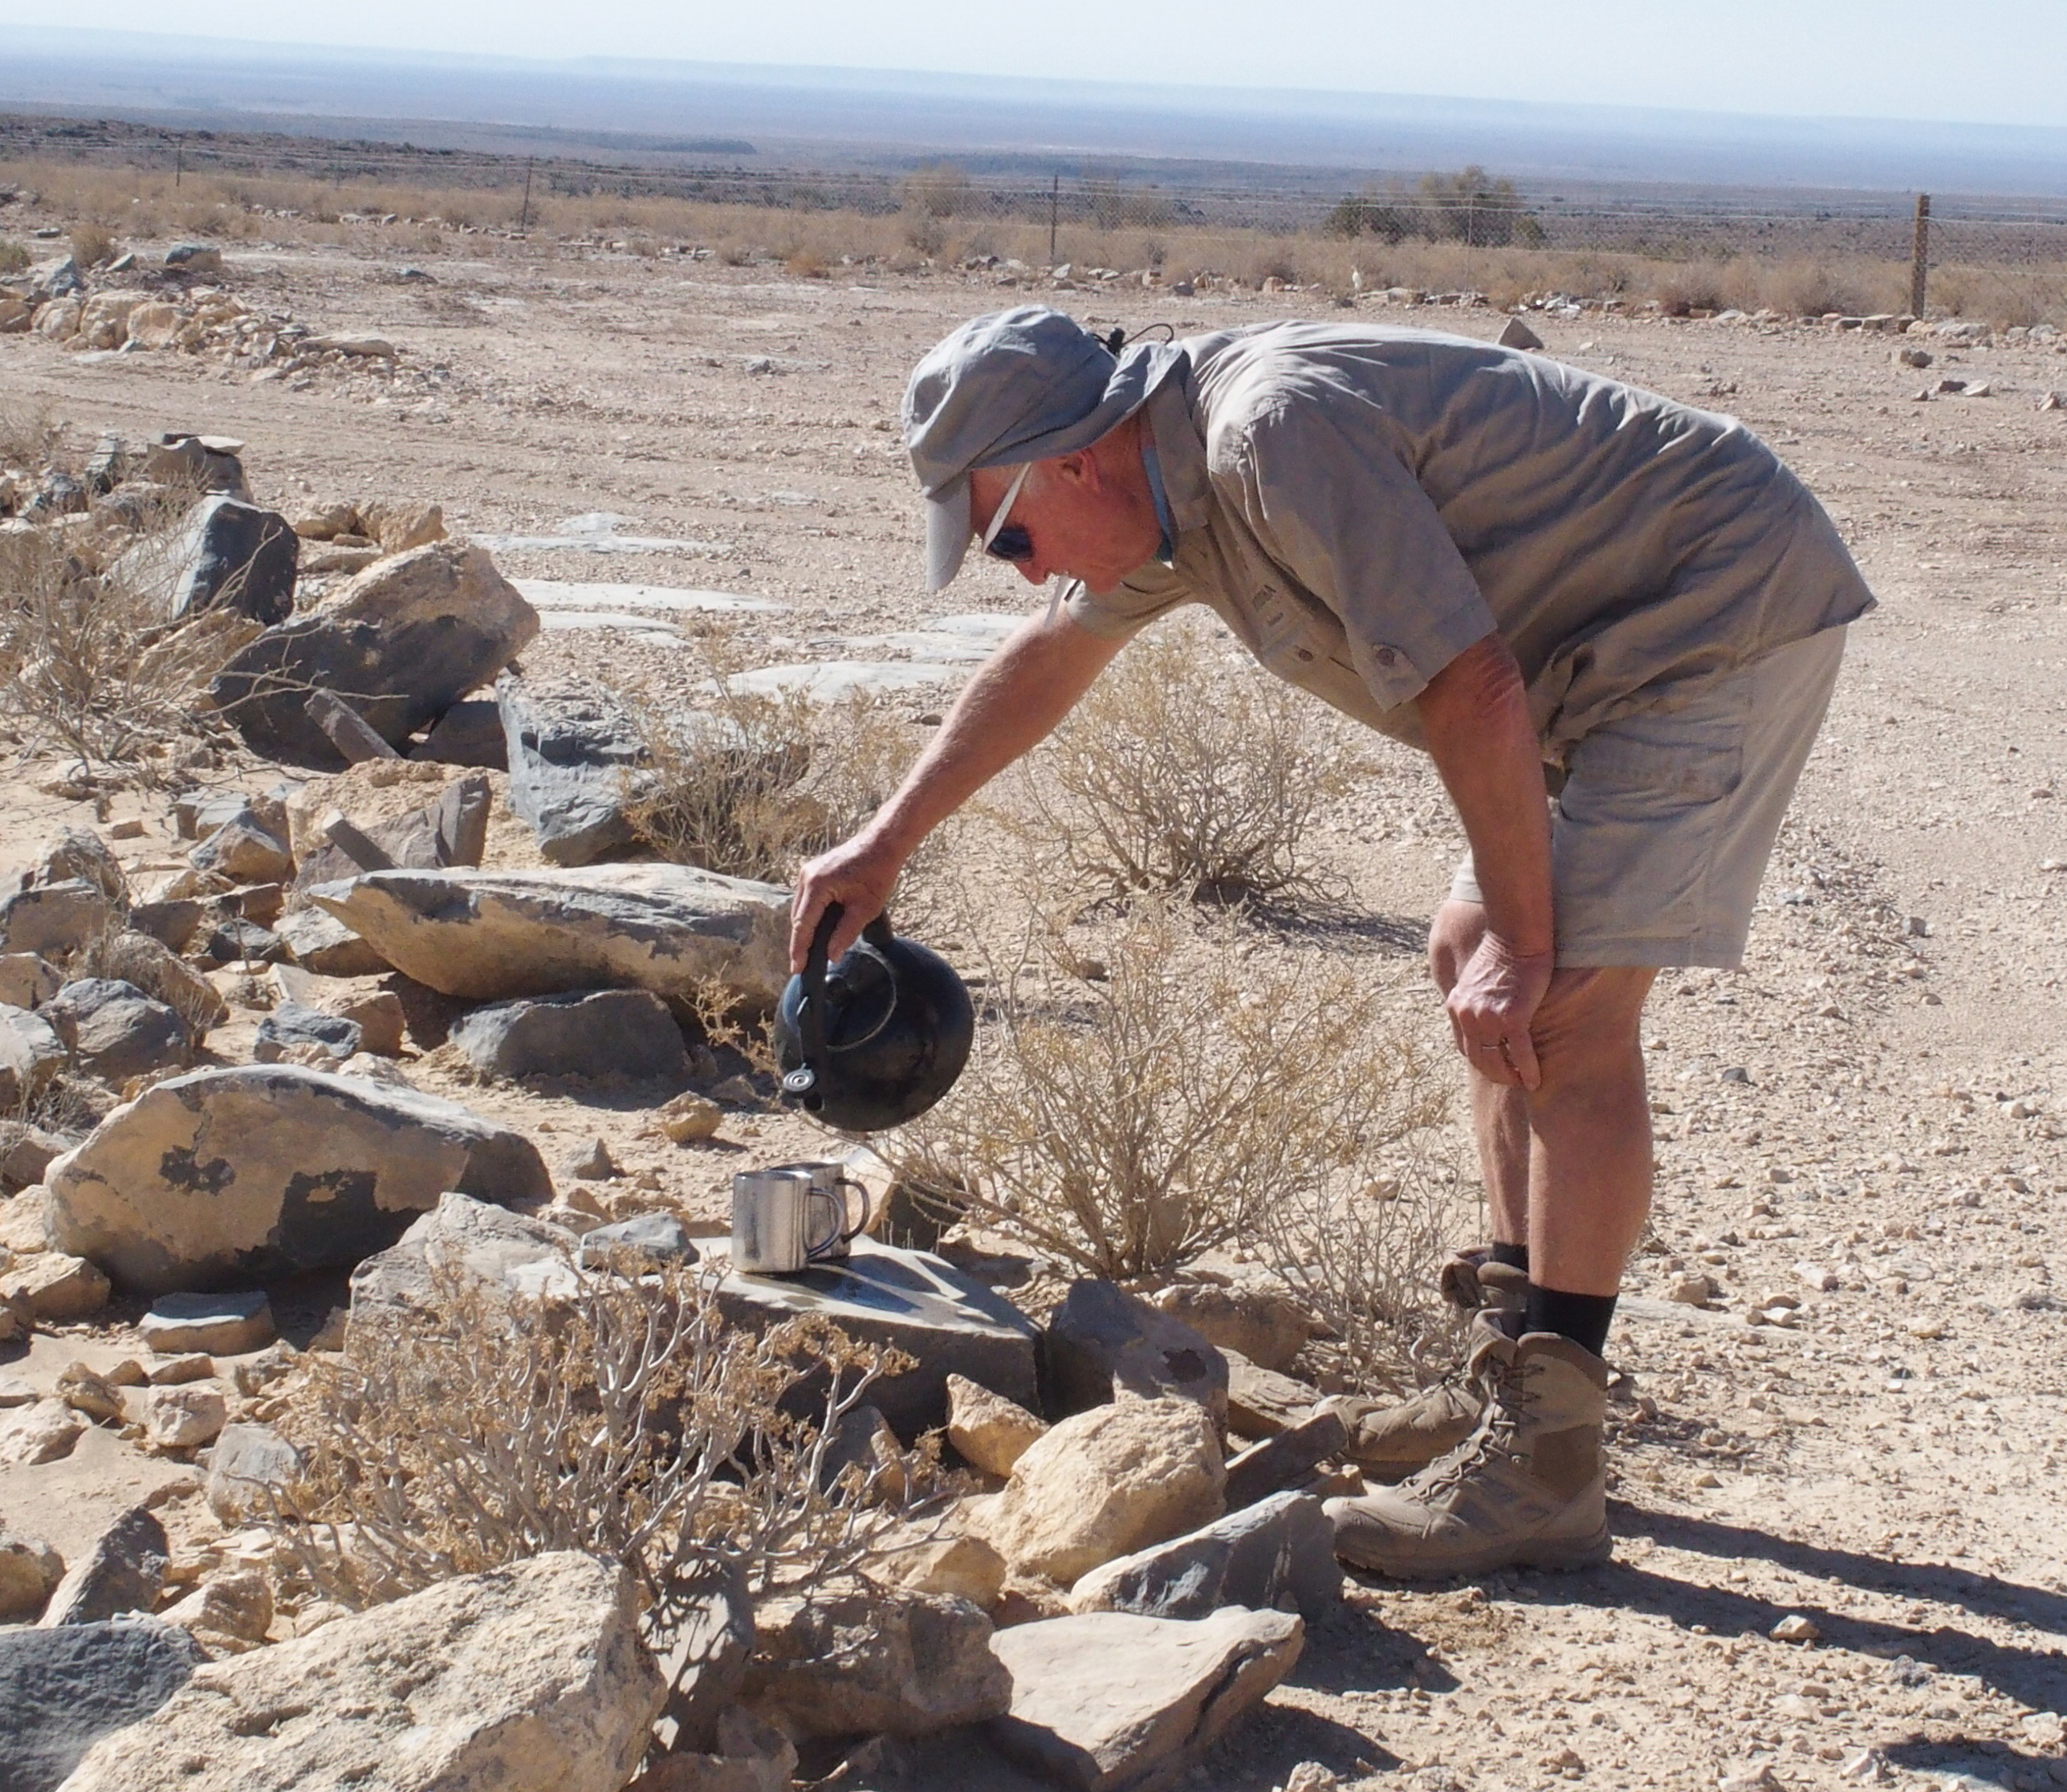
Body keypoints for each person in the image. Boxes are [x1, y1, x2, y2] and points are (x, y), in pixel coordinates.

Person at [791, 305, 1874, 1577]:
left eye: (1010, 534)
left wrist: (1531, 950)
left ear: (1074, 460)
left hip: (1707, 608)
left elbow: (1472, 684)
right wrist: (887, 840)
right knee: (1469, 941)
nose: (1027, 569)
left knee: (1563, 1003)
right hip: (1601, 637)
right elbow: (1047, 658)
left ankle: (1548, 1471)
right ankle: (1508, 1386)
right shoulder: (1171, 484)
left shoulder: (1268, 437)